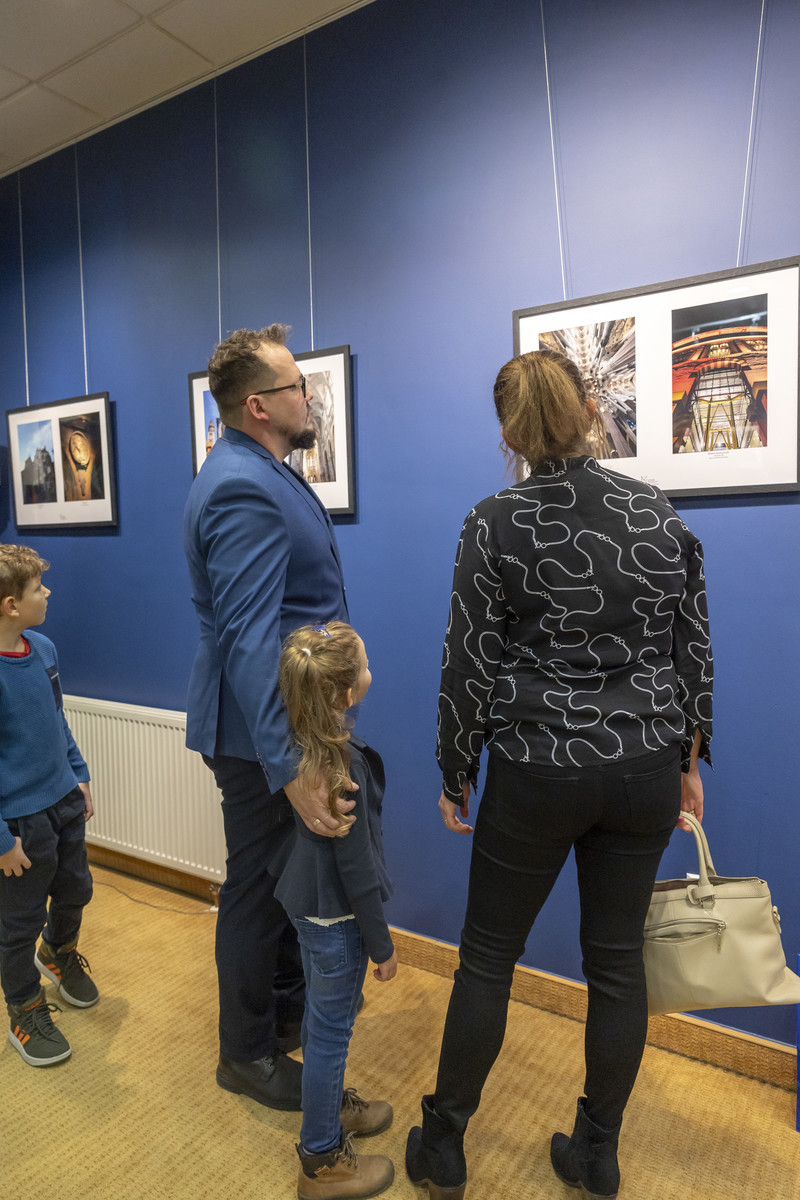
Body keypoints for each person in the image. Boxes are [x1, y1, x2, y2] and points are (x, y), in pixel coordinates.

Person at [405, 348, 713, 1200]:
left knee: (487, 960)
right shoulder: (655, 509)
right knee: (617, 965)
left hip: (540, 769)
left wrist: (455, 768)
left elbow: (468, 661)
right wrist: (689, 760)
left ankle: (443, 1146)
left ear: (508, 434)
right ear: (589, 410)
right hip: (645, 767)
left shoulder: (493, 522)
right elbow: (690, 644)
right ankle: (597, 1154)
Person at [183, 324, 356, 1112]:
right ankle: (247, 1055)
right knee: (257, 893)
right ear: (258, 405)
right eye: (296, 387)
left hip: (286, 720)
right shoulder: (240, 485)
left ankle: (283, 1031)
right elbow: (249, 639)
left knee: (286, 889)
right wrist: (288, 765)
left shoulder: (262, 470)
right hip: (259, 734)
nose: (308, 396)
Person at [275, 622, 396, 1200]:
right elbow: (359, 870)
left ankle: (329, 1109)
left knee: (321, 1024)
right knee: (330, 1033)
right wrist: (383, 946)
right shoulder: (344, 767)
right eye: (366, 666)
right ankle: (321, 1159)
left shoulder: (303, 749)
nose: (372, 672)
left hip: (307, 908)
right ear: (348, 692)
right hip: (337, 921)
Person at [0, 544, 98, 1068]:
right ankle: (24, 1009)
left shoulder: (42, 648)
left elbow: (57, 720)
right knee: (18, 924)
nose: (48, 593)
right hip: (19, 822)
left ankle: (57, 953)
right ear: (11, 605)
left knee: (77, 889)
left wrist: (78, 775)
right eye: (39, 588)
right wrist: (2, 842)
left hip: (62, 801)